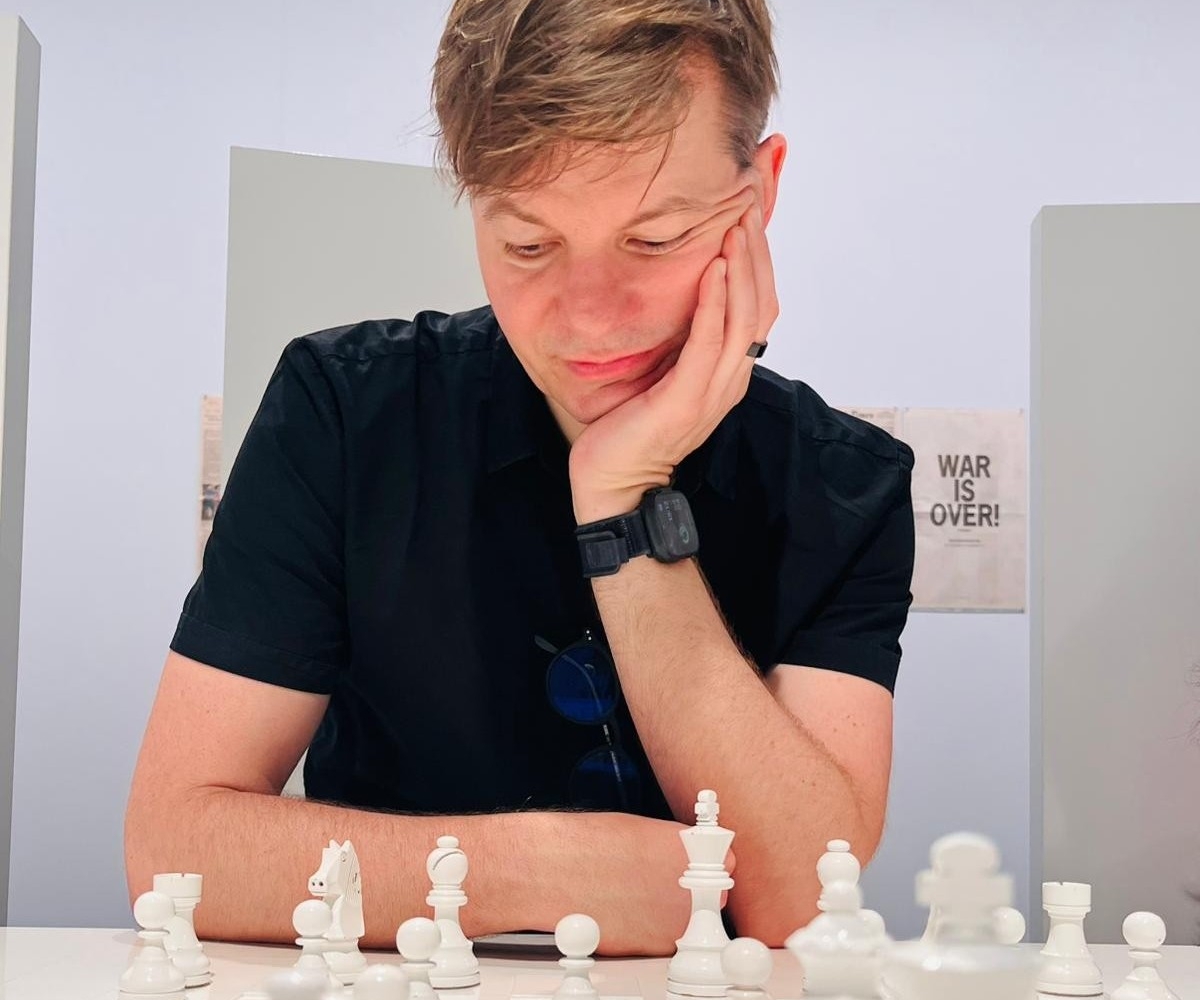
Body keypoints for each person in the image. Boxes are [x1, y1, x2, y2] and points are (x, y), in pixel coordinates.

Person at [125, 0, 914, 955]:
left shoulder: (844, 484)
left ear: (762, 192)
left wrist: (623, 501)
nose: (590, 321)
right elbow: (173, 851)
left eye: (655, 238)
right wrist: (542, 870)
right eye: (528, 246)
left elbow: (805, 898)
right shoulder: (344, 412)